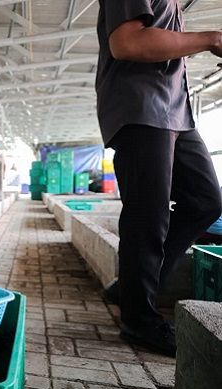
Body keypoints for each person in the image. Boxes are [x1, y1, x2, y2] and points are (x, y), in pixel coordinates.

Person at [96, 0, 222, 356]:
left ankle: (132, 287)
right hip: (142, 108)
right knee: (148, 213)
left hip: (176, 111)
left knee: (205, 199)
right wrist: (211, 39)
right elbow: (128, 43)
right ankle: (139, 320)